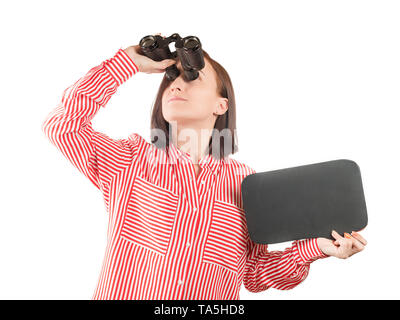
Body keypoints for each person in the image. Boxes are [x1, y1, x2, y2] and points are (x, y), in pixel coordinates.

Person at [42, 34, 367, 300]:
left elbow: (254, 273)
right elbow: (62, 126)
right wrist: (126, 63)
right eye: (171, 80)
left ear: (220, 104)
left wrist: (315, 249)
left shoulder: (245, 183)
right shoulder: (130, 161)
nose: (177, 85)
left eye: (193, 77)